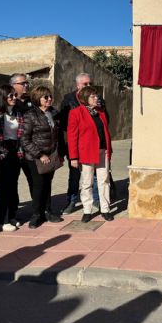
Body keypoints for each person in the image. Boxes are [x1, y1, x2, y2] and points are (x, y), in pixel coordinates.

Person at [67, 85, 114, 223]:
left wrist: (109, 149)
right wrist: (73, 157)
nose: (96, 98)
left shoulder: (101, 112)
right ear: (85, 99)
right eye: (93, 96)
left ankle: (105, 209)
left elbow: (105, 132)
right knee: (87, 182)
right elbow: (72, 136)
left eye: (96, 96)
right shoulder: (76, 113)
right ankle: (87, 210)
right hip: (86, 152)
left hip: (102, 151)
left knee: (104, 180)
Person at [21, 85, 66, 229]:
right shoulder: (30, 115)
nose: (49, 99)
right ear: (37, 98)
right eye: (45, 97)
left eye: (50, 96)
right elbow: (25, 139)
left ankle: (48, 211)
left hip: (52, 154)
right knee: (38, 185)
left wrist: (60, 153)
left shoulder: (54, 113)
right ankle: (36, 214)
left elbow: (59, 135)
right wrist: (40, 155)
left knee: (47, 184)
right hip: (36, 157)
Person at [0, 84, 25, 231]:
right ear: (3, 96)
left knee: (13, 185)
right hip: (1, 152)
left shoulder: (17, 111)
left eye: (15, 95)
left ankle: (11, 216)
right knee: (2, 187)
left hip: (15, 151)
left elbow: (20, 133)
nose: (14, 98)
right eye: (10, 95)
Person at [60, 72, 93, 214]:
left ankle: (96, 201)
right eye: (86, 84)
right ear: (78, 85)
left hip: (92, 144)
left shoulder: (95, 98)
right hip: (74, 144)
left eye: (90, 83)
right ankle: (71, 201)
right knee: (74, 174)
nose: (89, 86)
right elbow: (63, 124)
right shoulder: (68, 100)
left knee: (94, 174)